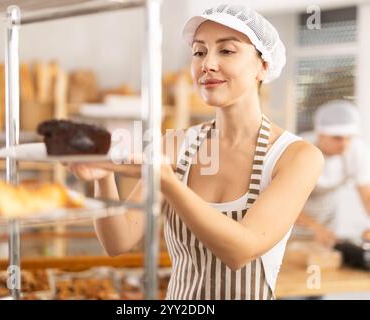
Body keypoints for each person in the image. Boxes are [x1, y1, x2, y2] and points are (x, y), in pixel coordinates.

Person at [68, 3, 323, 300]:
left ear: (263, 66)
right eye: (199, 52)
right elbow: (118, 241)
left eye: (226, 51)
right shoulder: (176, 144)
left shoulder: (296, 156)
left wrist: (167, 182)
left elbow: (241, 250)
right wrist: (104, 177)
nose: (207, 64)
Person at [293, 100, 370, 247]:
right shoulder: (299, 150)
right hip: (292, 222)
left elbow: (367, 197)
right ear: (321, 133)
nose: (344, 144)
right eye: (337, 138)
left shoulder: (357, 151)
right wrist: (314, 227)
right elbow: (285, 202)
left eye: (349, 137)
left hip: (328, 220)